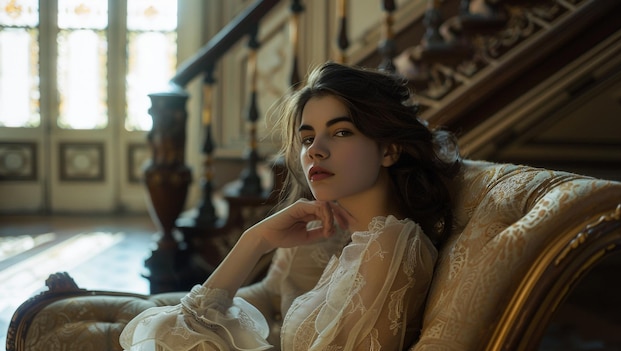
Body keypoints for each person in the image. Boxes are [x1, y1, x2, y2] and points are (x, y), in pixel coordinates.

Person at [120, 61, 461, 351]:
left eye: (341, 132)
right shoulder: (361, 242)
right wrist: (256, 240)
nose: (315, 150)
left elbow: (182, 331)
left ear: (389, 150)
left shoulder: (392, 242)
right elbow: (185, 326)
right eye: (308, 138)